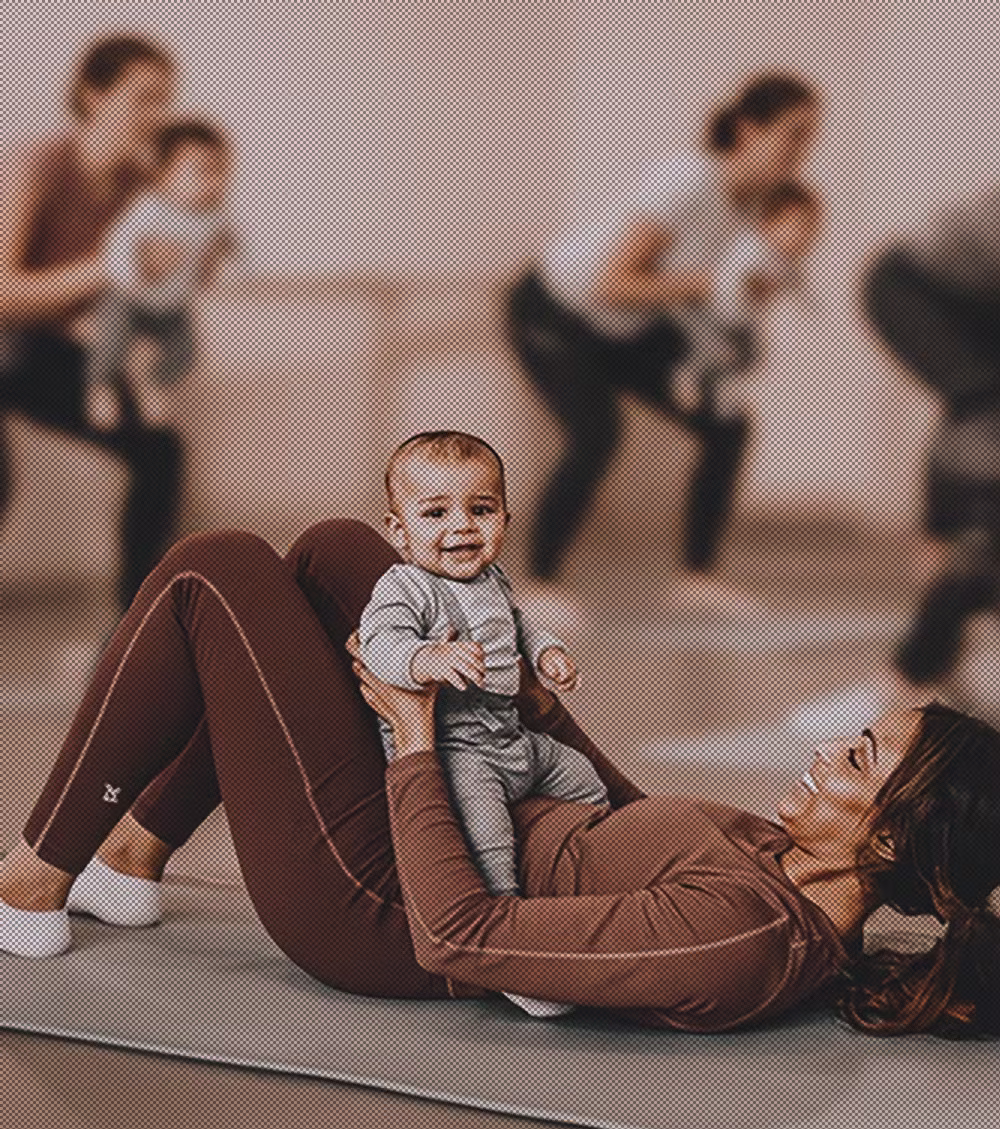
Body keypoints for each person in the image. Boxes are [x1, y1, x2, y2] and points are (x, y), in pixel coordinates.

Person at [0, 518, 998, 1037]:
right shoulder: (783, 860)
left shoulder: (746, 936)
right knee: (339, 558)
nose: (827, 749)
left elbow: (461, 936)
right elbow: (618, 814)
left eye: (857, 759)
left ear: (886, 837)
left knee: (209, 571)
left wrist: (419, 735)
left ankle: (33, 877)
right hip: (462, 816)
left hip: (379, 902)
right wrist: (520, 681)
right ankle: (132, 854)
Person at [507, 72, 821, 620]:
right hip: (555, 309)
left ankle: (697, 577)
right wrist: (713, 283)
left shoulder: (748, 209)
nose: (802, 153)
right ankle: (537, 583)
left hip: (627, 326)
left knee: (727, 424)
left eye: (809, 139)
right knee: (597, 434)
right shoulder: (688, 181)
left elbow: (700, 299)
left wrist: (736, 319)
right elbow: (614, 281)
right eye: (794, 135)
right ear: (748, 130)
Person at [359, 432, 609, 1016]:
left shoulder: (495, 583)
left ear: (505, 518)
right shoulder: (406, 587)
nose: (463, 527)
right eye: (436, 513)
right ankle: (509, 950)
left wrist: (547, 654)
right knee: (487, 838)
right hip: (456, 749)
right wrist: (427, 660)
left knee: (585, 780)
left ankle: (581, 869)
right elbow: (380, 645)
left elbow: (520, 627)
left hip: (511, 737)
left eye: (481, 509)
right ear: (399, 531)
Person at [788, 190, 1000, 736]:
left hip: (979, 300)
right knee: (979, 400)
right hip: (913, 285)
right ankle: (903, 681)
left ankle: (934, 643)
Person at [0, 34, 184, 610]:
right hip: (11, 345)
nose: (157, 117)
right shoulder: (38, 165)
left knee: (158, 448)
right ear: (92, 94)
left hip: (55, 351)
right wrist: (111, 264)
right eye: (144, 99)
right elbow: (4, 293)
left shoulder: (142, 190)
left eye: (165, 102)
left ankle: (135, 625)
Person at [85, 117, 234, 432]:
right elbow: (117, 244)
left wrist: (221, 256)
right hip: (129, 297)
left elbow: (222, 253)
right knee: (110, 340)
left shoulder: (213, 218)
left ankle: (153, 382)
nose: (214, 180)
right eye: (202, 170)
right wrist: (134, 275)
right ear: (164, 176)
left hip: (171, 306)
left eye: (221, 171)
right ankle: (101, 386)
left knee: (186, 351)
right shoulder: (149, 209)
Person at [670, 180, 821, 417]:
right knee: (712, 348)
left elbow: (798, 286)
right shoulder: (753, 246)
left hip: (743, 322)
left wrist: (811, 307)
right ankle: (687, 374)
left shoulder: (787, 264)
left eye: (809, 230)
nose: (803, 236)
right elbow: (738, 276)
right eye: (797, 226)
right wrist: (755, 284)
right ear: (768, 223)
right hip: (718, 312)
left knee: (750, 356)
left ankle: (723, 392)